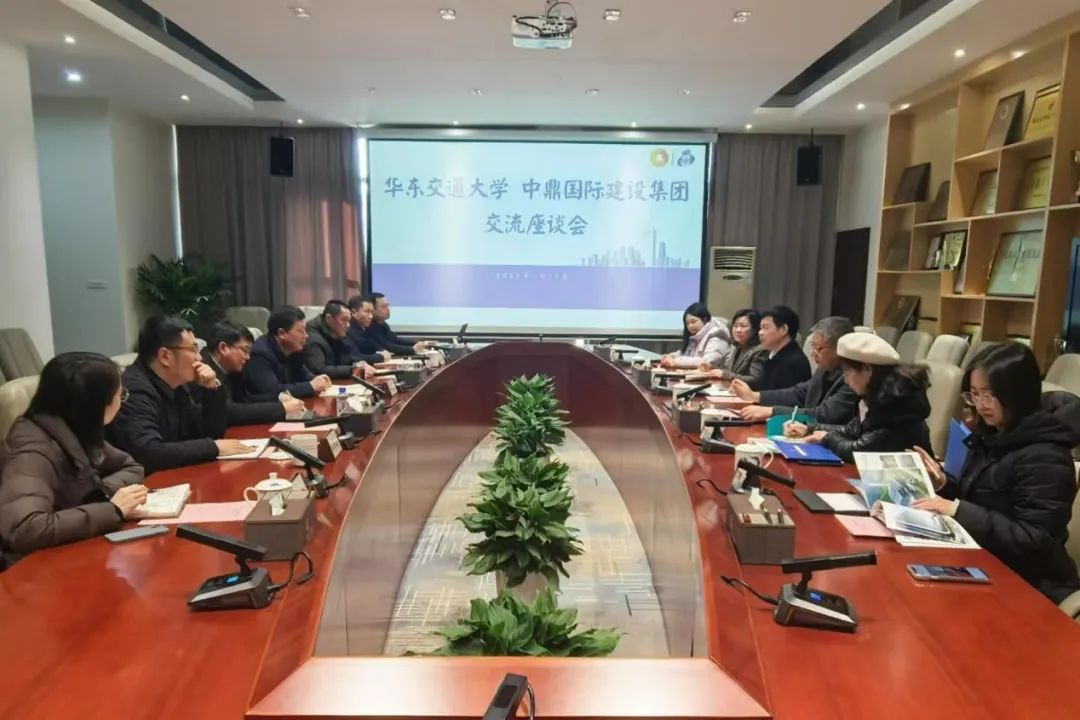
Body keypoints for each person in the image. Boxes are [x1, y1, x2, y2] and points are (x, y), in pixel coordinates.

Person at [911, 343, 1080, 604]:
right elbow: (983, 498)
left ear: (1016, 393)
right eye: (974, 394)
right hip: (985, 560)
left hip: (1031, 584)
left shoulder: (1046, 456)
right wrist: (944, 483)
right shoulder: (993, 433)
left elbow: (1035, 539)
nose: (980, 405)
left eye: (989, 395)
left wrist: (956, 509)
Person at [0, 352, 147, 567]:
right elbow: (24, 529)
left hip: (69, 551)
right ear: (94, 404)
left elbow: (131, 467)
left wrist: (99, 493)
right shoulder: (32, 451)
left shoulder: (73, 427)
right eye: (120, 394)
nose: (122, 401)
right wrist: (112, 510)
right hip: (31, 570)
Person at [108, 316, 248, 474]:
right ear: (165, 356)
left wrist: (211, 389)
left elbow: (210, 433)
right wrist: (212, 447)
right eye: (193, 350)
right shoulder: (134, 390)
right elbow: (147, 453)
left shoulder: (177, 385)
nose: (199, 358)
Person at [784, 331, 930, 462]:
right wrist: (810, 429)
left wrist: (826, 437)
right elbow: (852, 429)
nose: (846, 380)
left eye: (847, 372)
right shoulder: (874, 394)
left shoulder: (895, 402)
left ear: (867, 369)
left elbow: (858, 451)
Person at [734, 316, 858, 425]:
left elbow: (823, 414)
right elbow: (799, 393)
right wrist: (755, 396)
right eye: (812, 346)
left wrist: (772, 411)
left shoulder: (853, 379)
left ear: (840, 349)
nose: (813, 353)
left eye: (819, 348)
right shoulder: (824, 369)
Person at [203, 321, 306, 426]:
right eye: (245, 350)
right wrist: (281, 408)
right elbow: (229, 411)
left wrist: (280, 398)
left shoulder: (231, 369)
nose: (248, 357)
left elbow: (244, 400)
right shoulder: (204, 371)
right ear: (223, 348)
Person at [243, 306, 333, 400]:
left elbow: (304, 374)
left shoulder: (293, 349)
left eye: (305, 330)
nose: (306, 335)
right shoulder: (259, 355)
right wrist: (310, 386)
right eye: (300, 331)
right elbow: (272, 391)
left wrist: (317, 379)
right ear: (282, 333)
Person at [303, 299, 373, 380]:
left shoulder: (336, 332)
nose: (348, 325)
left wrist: (360, 365)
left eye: (349, 321)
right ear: (329, 318)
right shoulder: (313, 338)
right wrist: (353, 370)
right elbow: (319, 369)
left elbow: (348, 357)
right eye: (344, 320)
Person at [748, 305, 812, 391]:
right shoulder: (773, 355)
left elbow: (784, 396)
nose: (760, 333)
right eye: (760, 328)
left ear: (783, 329)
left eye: (765, 327)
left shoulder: (795, 362)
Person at [659, 303, 731, 369]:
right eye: (687, 323)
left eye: (693, 322)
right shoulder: (697, 335)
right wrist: (672, 356)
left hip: (714, 377)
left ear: (705, 319)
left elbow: (707, 362)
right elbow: (687, 353)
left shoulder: (717, 335)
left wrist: (675, 362)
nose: (690, 326)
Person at [707, 308, 767, 385]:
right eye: (735, 326)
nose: (738, 330)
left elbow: (754, 379)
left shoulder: (760, 349)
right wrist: (711, 367)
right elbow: (726, 368)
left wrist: (724, 375)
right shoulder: (735, 345)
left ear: (755, 329)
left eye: (743, 326)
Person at [345, 294, 392, 365]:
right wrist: (381, 357)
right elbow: (355, 358)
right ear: (354, 313)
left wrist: (382, 353)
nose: (370, 316)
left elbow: (376, 348)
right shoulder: (348, 331)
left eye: (372, 312)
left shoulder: (366, 329)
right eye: (367, 312)